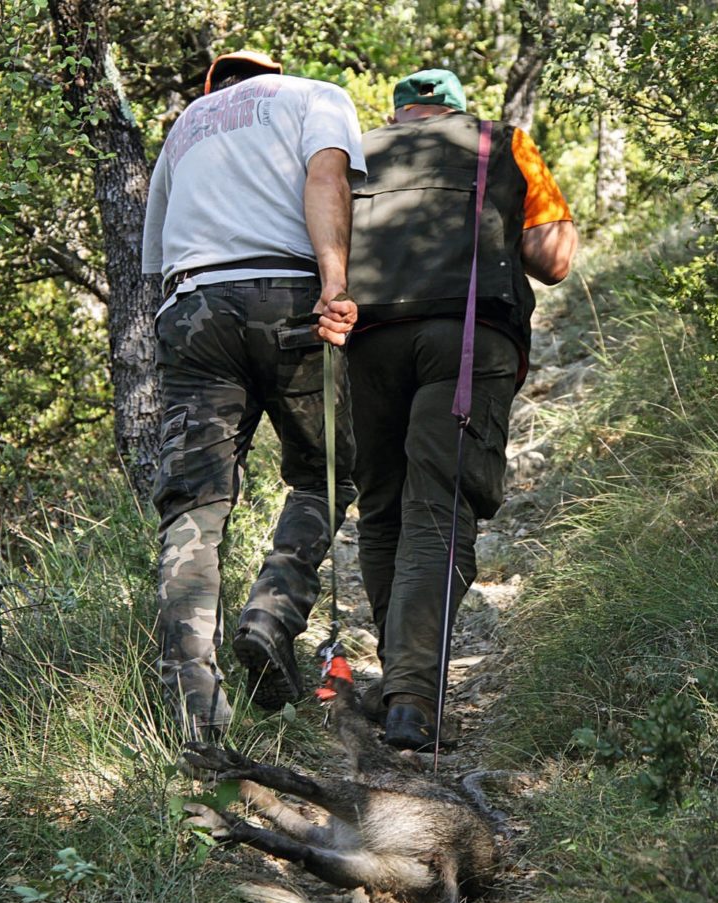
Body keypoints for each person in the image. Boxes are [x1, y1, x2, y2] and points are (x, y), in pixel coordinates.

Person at [347, 69, 578, 751]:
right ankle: (412, 699)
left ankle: (398, 685)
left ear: (399, 113)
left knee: (382, 506)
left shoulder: (352, 151)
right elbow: (552, 258)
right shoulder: (501, 143)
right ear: (454, 108)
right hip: (468, 339)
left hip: (365, 345)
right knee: (438, 507)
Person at [141, 50, 367, 741]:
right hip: (288, 298)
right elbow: (326, 176)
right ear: (271, 73)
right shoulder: (313, 94)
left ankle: (195, 711)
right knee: (327, 472)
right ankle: (271, 613)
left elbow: (156, 260)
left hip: (192, 306)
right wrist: (335, 282)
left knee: (195, 508)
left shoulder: (184, 128)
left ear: (217, 88)